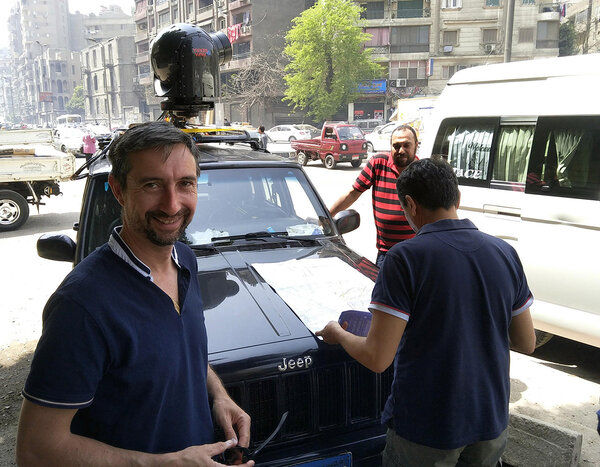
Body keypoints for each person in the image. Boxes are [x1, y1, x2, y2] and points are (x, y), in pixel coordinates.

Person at [16, 121, 253, 466]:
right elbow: (36, 450)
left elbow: (183, 351)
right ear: (118, 190)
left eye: (185, 184)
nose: (172, 204)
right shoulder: (81, 305)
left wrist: (218, 396)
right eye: (152, 185)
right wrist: (163, 463)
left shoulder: (184, 259)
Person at [317, 158, 536, 467]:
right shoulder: (504, 253)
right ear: (457, 198)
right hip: (490, 419)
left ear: (409, 204)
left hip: (427, 428)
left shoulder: (404, 258)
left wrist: (338, 333)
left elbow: (378, 358)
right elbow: (527, 341)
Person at [329, 125, 418, 268]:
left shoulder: (423, 171)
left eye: (407, 145)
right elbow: (353, 194)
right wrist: (327, 216)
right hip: (386, 254)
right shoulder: (378, 163)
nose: (401, 150)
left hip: (415, 255)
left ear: (416, 145)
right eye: (396, 146)